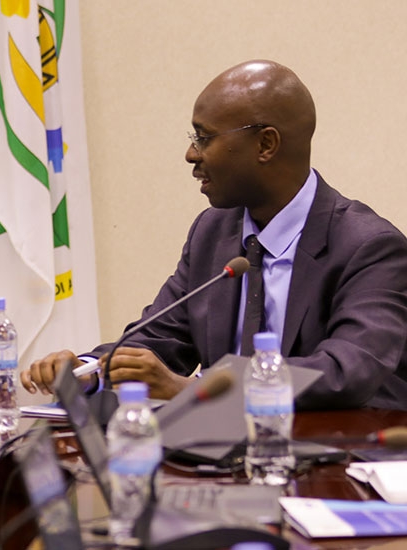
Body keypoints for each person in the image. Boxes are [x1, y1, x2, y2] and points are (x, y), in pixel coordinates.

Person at [21, 60, 407, 410]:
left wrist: (195, 390)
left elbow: (344, 373)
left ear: (266, 144)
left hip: (336, 466)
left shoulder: (369, 247)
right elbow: (160, 339)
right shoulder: (214, 231)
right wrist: (85, 371)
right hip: (223, 461)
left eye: (204, 138)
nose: (191, 154)